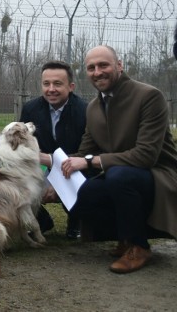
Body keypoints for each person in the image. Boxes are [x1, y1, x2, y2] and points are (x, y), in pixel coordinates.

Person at [61, 45, 177, 274]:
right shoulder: (93, 107)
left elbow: (145, 155)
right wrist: (47, 168)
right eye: (91, 68)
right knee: (85, 194)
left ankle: (139, 246)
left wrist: (91, 161)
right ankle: (124, 237)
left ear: (119, 66)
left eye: (103, 65)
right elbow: (83, 152)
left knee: (118, 176)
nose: (97, 72)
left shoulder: (149, 96)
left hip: (159, 174)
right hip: (122, 174)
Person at [19, 60, 87, 239]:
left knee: (84, 177)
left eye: (58, 84)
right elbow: (25, 147)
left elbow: (86, 154)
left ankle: (76, 221)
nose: (51, 89)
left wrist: (57, 182)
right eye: (46, 84)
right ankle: (41, 220)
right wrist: (43, 178)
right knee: (12, 178)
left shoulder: (85, 111)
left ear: (71, 86)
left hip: (72, 169)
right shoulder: (30, 109)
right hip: (42, 168)